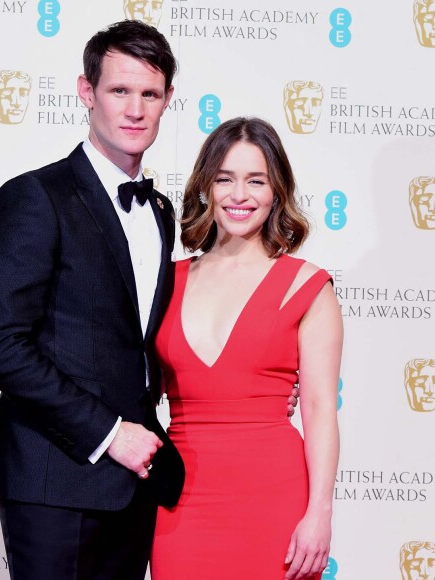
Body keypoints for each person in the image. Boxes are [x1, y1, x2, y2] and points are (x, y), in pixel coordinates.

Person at [0, 20, 182, 580]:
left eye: (150, 94)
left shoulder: (161, 213)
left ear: (167, 102)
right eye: (119, 91)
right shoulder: (36, 196)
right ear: (86, 92)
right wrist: (110, 434)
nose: (135, 109)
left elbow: (138, 338)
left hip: (135, 481)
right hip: (54, 475)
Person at [151, 117, 342, 579]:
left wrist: (319, 514)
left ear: (276, 191)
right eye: (225, 179)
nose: (240, 195)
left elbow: (318, 408)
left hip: (274, 499)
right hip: (181, 504)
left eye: (256, 180)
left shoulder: (308, 285)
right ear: (205, 187)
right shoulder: (165, 281)